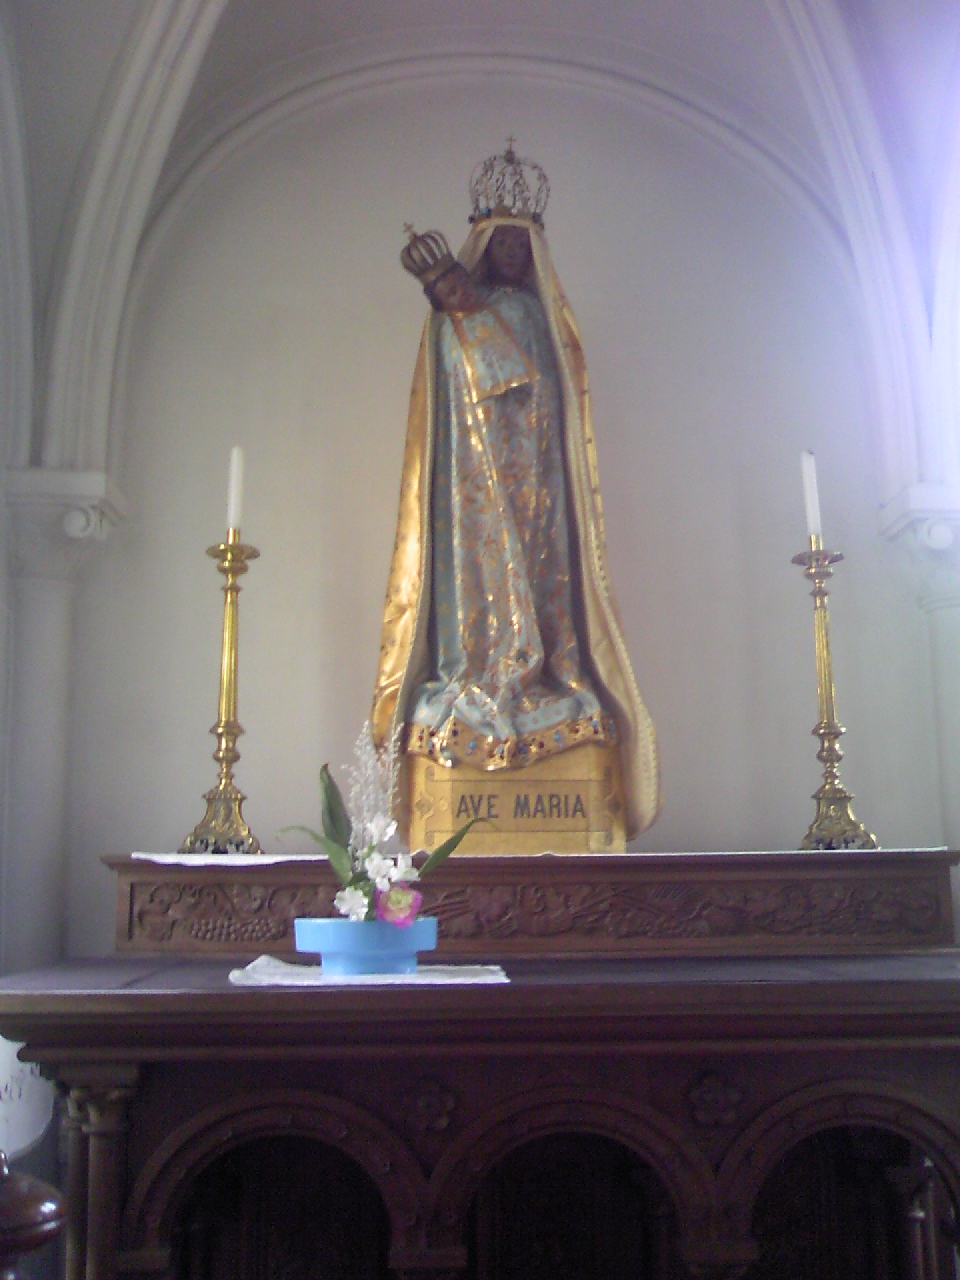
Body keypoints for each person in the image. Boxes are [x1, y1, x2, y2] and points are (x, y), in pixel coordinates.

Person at [372, 147, 660, 839]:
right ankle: (474, 670)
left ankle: (542, 670)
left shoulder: (539, 314)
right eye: (497, 241)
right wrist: (457, 307)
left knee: (538, 570)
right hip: (468, 481)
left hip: (535, 477)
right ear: (482, 246)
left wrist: (468, 307)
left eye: (517, 243)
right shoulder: (448, 323)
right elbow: (459, 387)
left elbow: (532, 381)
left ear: (531, 251)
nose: (507, 252)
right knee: (473, 575)